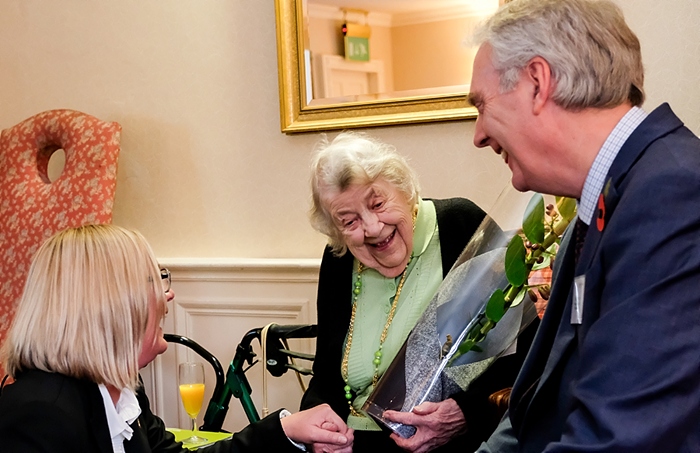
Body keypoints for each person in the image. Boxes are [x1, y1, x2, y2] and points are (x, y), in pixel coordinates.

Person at [467, 0, 700, 451]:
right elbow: (542, 402)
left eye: (480, 105)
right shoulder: (608, 196)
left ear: (538, 83)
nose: (478, 134)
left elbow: (622, 438)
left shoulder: (671, 195)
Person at [0, 224, 353, 453]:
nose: (168, 296)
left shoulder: (121, 389)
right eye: (155, 280)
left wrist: (286, 429)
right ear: (110, 305)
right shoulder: (36, 416)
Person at [300, 132, 532, 453]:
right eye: (348, 220)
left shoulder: (459, 224)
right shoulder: (339, 259)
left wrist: (464, 413)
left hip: (447, 447)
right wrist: (319, 431)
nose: (372, 228)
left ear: (404, 189)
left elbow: (522, 351)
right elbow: (325, 375)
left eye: (378, 203)